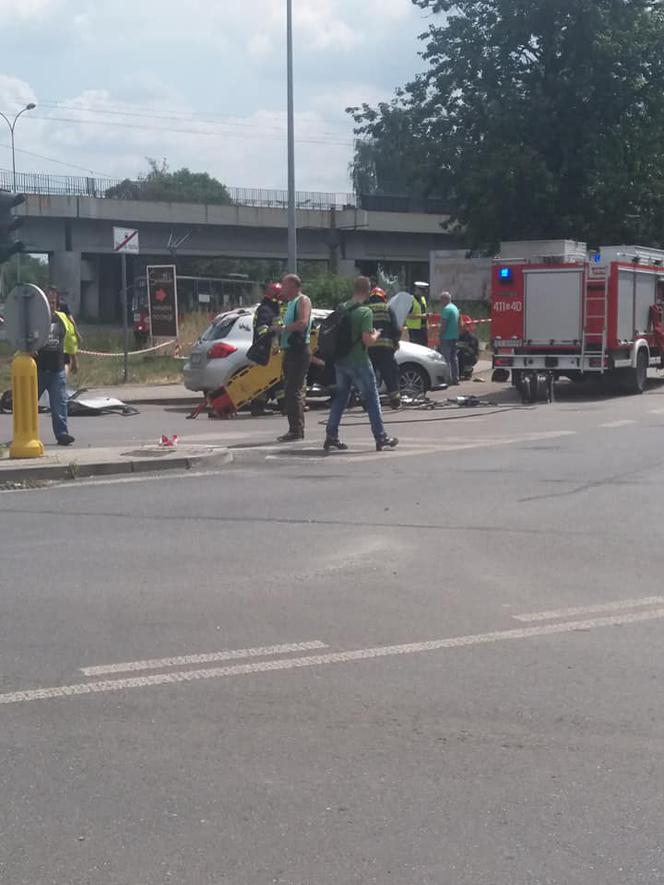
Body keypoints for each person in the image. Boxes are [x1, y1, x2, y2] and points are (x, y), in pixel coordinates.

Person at [324, 276, 398, 452]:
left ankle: (331, 436)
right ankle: (381, 437)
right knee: (372, 399)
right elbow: (367, 340)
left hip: (341, 361)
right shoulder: (365, 312)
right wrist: (376, 334)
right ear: (369, 290)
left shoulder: (342, 307)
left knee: (341, 399)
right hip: (359, 361)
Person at [276, 273, 313, 442]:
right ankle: (294, 428)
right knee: (289, 391)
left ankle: (296, 430)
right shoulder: (289, 303)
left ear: (292, 285)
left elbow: (303, 322)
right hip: (289, 350)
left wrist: (283, 329)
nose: (282, 288)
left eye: (284, 285)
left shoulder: (302, 301)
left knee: (293, 391)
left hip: (298, 351)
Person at [36, 288, 74, 446]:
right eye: (48, 302)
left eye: (53, 302)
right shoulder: (35, 320)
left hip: (57, 369)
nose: (50, 305)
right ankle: (25, 433)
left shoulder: (62, 319)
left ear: (57, 304)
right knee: (29, 404)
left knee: (60, 403)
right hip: (38, 370)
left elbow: (70, 340)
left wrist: (73, 359)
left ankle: (62, 434)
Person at [367, 286, 401, 409]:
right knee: (390, 374)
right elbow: (396, 329)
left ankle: (369, 402)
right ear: (383, 298)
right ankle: (395, 401)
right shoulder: (388, 309)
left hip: (370, 348)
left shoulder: (366, 310)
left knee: (371, 375)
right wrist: (396, 341)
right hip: (386, 348)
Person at [438, 290, 460, 385]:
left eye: (441, 299)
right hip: (454, 336)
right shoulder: (455, 308)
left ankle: (447, 379)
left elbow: (444, 324)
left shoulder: (446, 309)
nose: (440, 302)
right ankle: (456, 378)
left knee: (446, 359)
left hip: (446, 337)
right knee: (454, 358)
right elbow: (458, 322)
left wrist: (440, 335)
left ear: (445, 299)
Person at [57, 301, 82, 379]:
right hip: (68, 333)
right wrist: (78, 334)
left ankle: (64, 377)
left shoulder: (48, 305)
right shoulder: (64, 305)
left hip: (59, 334)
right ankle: (65, 378)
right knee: (68, 359)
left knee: (65, 359)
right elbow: (72, 321)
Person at [406, 281, 429, 346]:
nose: (423, 293)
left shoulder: (423, 299)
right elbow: (408, 316)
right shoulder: (411, 300)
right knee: (416, 348)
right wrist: (421, 316)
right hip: (414, 329)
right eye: (422, 291)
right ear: (417, 289)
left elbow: (424, 312)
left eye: (424, 291)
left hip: (423, 329)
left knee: (424, 347)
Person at [457, 314, 480, 380]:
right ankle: (459, 371)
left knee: (463, 356)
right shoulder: (458, 336)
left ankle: (467, 370)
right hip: (461, 355)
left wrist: (462, 347)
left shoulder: (471, 337)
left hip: (470, 356)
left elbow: (473, 351)